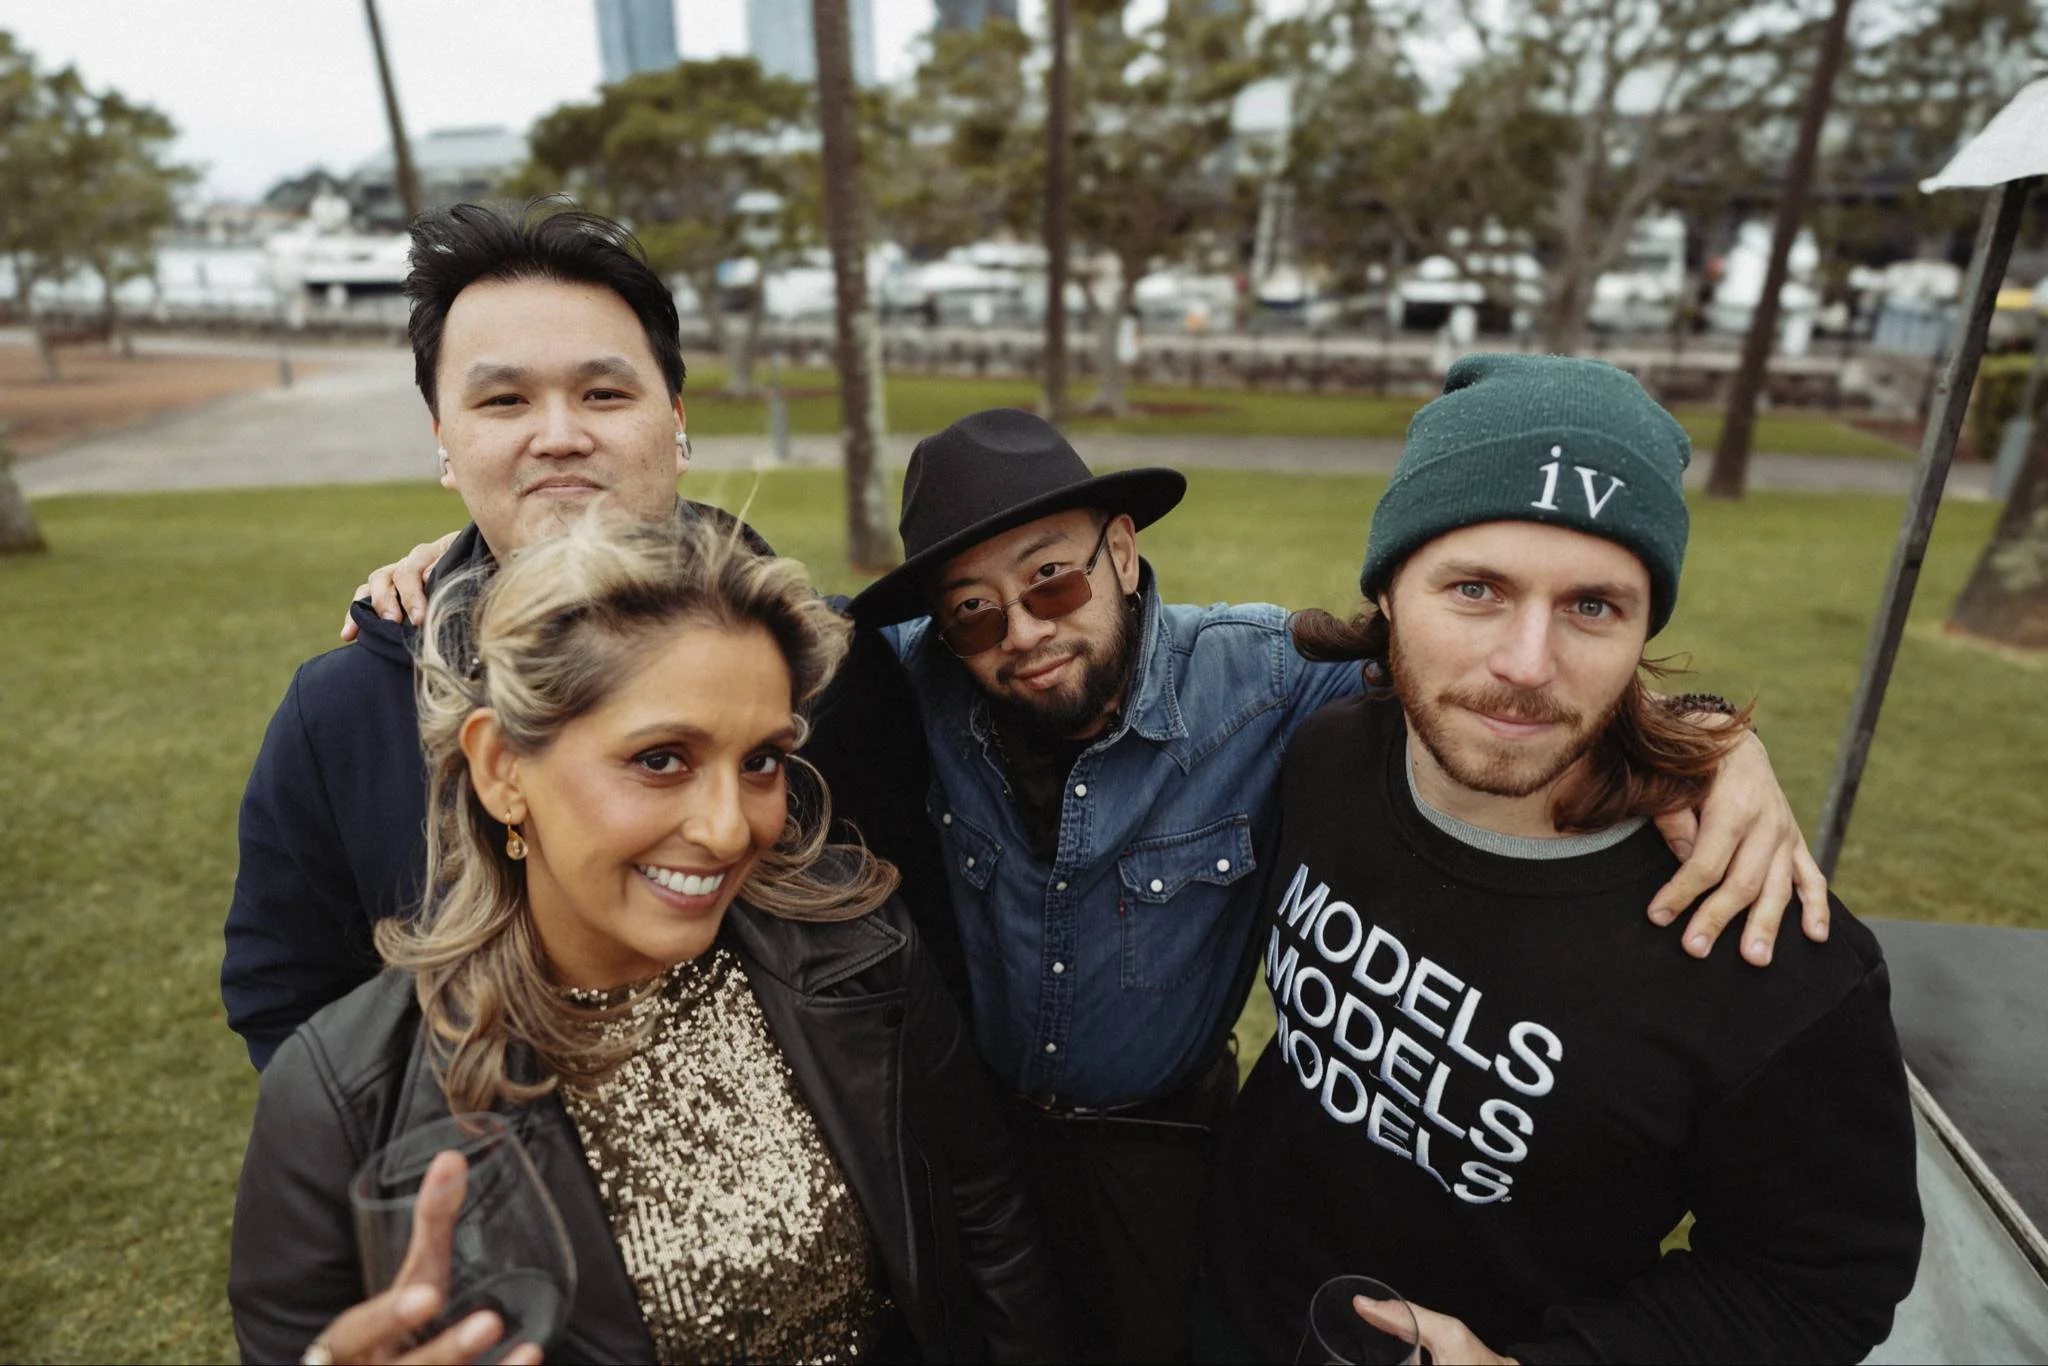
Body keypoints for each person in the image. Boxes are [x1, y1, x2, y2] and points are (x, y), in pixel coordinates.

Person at [830, 408, 1830, 1362]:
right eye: (972, 611)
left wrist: (1700, 736)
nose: (1021, 632)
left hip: (1156, 1142)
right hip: (975, 1134)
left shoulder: (1269, 676)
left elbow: (1484, 680)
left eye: (1050, 582)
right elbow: (761, 642)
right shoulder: (918, 679)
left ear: (1122, 554)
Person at [1204, 355, 1922, 1363]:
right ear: (1387, 588)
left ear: (1641, 628)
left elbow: (1818, 1284)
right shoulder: (1325, 759)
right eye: (1474, 588)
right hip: (1221, 1312)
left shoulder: (1763, 946)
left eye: (1591, 606)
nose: (1525, 665)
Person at [229, 512, 1059, 1364]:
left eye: (762, 761)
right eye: (661, 759)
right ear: (502, 768)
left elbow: (983, 1217)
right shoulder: (341, 1100)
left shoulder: (861, 951)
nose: (731, 829)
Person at [219, 202, 953, 1068]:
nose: (560, 437)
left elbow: (926, 957)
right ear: (444, 443)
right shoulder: (345, 709)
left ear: (676, 422)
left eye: (605, 393)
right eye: (504, 400)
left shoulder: (830, 670)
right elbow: (289, 999)